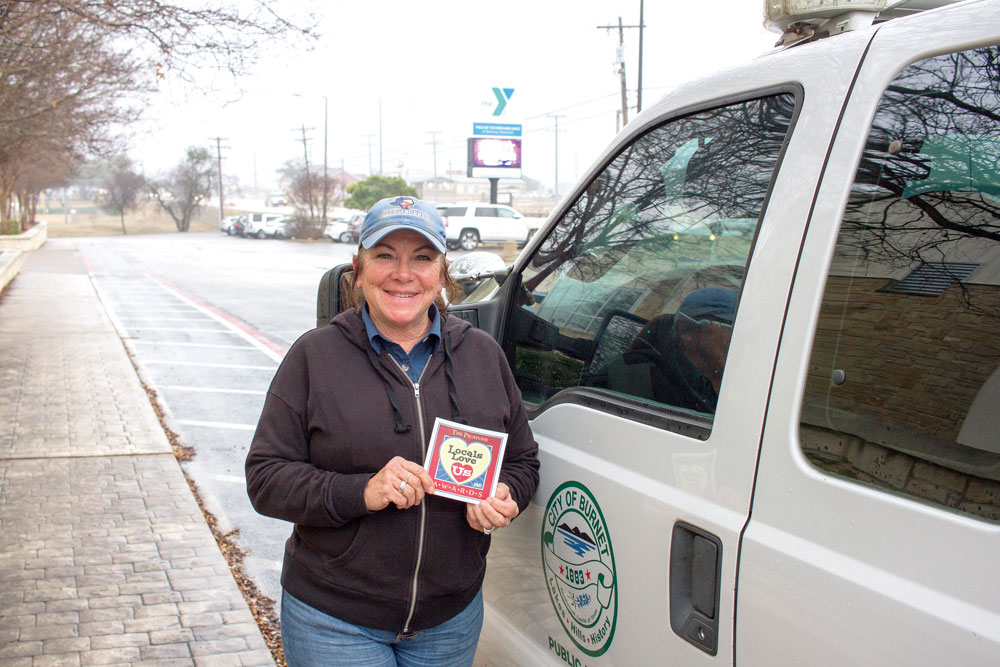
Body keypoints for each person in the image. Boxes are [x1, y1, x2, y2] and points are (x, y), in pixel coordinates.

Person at [245, 195, 540, 667]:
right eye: (385, 256)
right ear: (358, 269)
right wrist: (361, 491)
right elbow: (265, 479)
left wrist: (507, 493)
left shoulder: (482, 355)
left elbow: (524, 461)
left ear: (442, 273)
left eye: (422, 258)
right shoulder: (314, 357)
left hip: (451, 621)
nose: (403, 274)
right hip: (334, 620)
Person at [631, 287, 737, 413]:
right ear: (687, 330)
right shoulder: (647, 385)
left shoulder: (726, 383)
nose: (745, 342)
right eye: (734, 328)